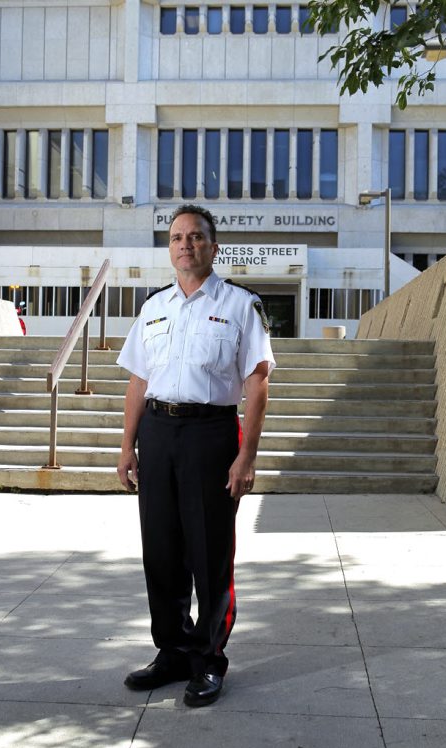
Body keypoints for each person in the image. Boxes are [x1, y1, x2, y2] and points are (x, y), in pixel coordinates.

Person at [116, 204, 275, 707]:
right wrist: (127, 446)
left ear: (213, 246)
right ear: (170, 248)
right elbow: (138, 380)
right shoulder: (153, 307)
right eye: (177, 237)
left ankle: (208, 659)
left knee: (209, 554)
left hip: (211, 436)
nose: (186, 244)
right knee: (160, 551)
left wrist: (245, 456)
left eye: (196, 237)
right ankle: (172, 651)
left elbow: (257, 382)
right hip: (158, 434)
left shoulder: (240, 305)